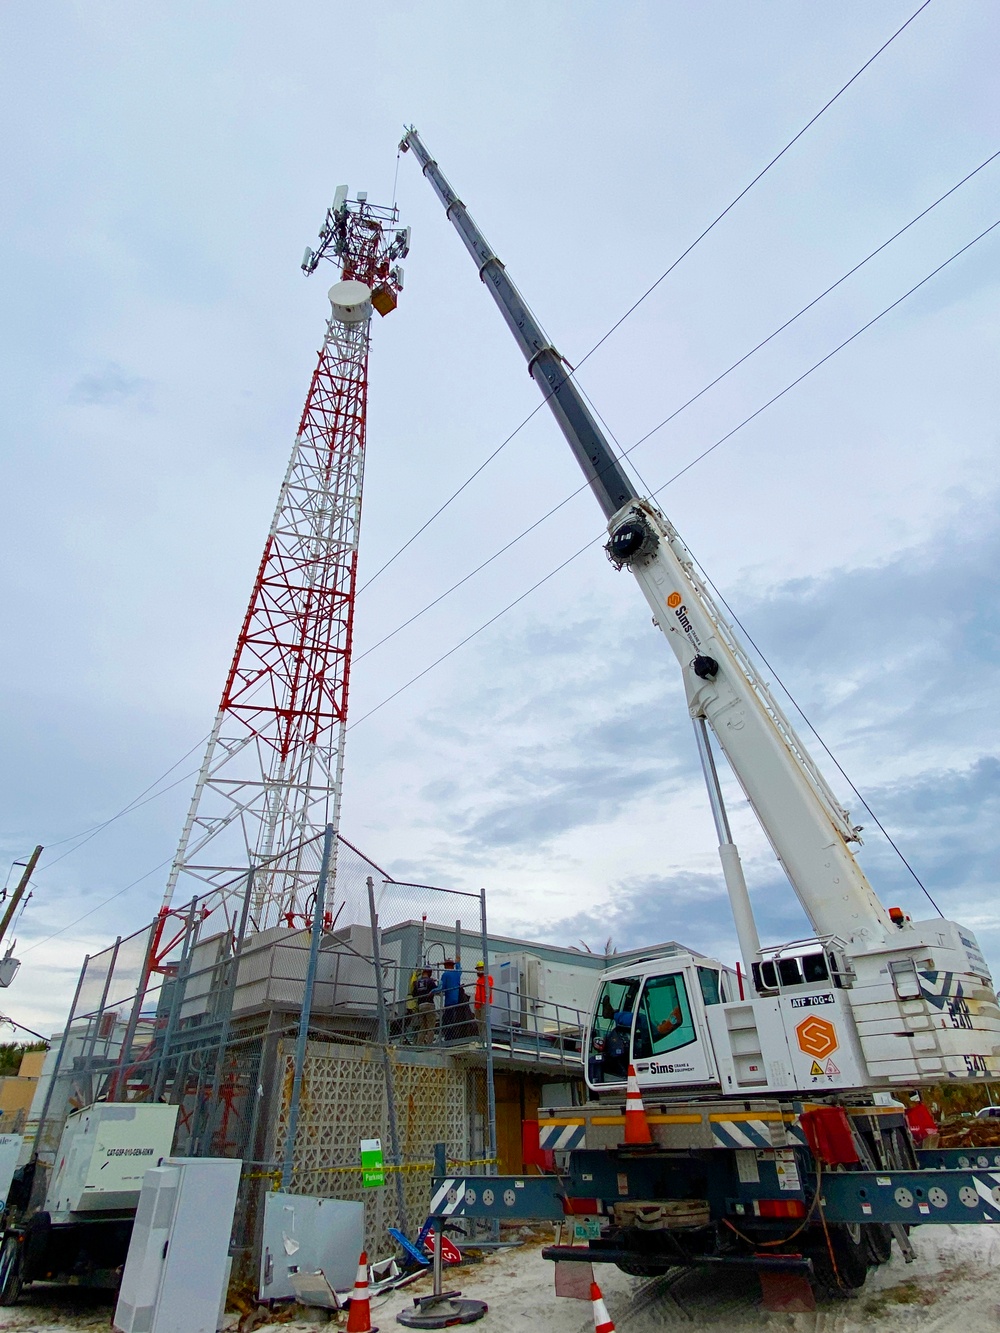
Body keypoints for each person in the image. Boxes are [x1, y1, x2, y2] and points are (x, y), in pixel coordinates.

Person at [411, 967, 438, 1045]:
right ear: (429, 973)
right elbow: (437, 991)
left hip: (421, 1005)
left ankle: (419, 1043)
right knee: (431, 1026)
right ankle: (429, 1044)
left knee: (422, 1027)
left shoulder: (417, 982)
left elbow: (413, 994)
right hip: (429, 1004)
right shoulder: (430, 981)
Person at [438, 958, 462, 1041]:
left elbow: (441, 987)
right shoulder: (457, 973)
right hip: (456, 999)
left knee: (447, 1019)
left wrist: (433, 991)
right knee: (453, 1018)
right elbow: (460, 969)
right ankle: (453, 1036)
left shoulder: (445, 974)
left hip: (449, 1001)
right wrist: (458, 962)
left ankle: (448, 1037)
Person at [473, 961, 493, 1043]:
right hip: (478, 1005)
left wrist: (486, 1002)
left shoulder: (488, 978)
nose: (478, 971)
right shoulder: (478, 980)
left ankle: (485, 1041)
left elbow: (489, 990)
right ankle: (481, 1040)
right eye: (478, 969)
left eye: (480, 969)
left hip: (484, 1004)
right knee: (479, 1024)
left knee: (484, 1023)